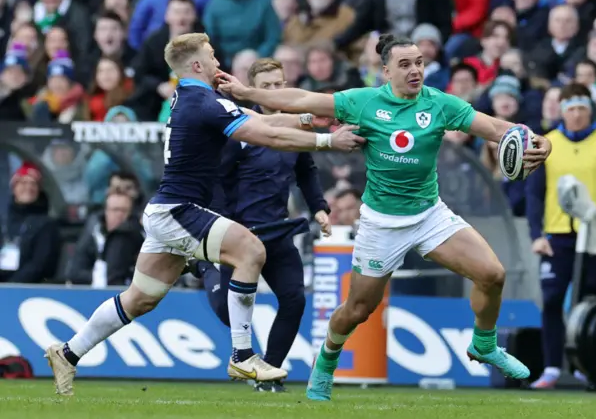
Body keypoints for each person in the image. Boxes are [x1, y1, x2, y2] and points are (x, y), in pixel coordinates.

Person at [217, 33, 552, 401]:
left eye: (420, 63)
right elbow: (300, 99)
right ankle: (327, 359)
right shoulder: (364, 102)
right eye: (405, 65)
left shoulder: (440, 104)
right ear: (386, 70)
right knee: (358, 310)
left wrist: (541, 142)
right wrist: (249, 94)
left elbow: (500, 129)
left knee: (493, 274)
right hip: (381, 225)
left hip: (429, 215)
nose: (415, 70)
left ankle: (484, 344)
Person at [44, 32, 364, 396]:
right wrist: (327, 142)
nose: (217, 62)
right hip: (180, 211)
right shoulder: (204, 101)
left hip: (167, 212)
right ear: (197, 65)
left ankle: (68, 353)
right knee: (251, 251)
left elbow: (264, 121)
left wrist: (310, 119)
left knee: (140, 298)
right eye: (211, 57)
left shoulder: (194, 98)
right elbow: (265, 134)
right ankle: (243, 354)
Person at [195, 58, 331, 393]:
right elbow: (215, 180)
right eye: (267, 86)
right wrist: (220, 226)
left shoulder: (296, 128)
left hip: (275, 230)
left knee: (294, 299)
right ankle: (205, 266)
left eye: (279, 84)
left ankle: (269, 371)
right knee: (229, 314)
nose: (274, 91)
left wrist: (320, 208)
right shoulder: (240, 128)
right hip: (238, 235)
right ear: (252, 90)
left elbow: (306, 171)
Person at [526, 83, 596, 389]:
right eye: (570, 109)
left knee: (589, 302)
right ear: (562, 111)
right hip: (557, 235)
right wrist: (537, 233)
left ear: (591, 110)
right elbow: (535, 194)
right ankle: (551, 368)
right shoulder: (547, 142)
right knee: (551, 300)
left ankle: (587, 366)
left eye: (582, 109)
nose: (576, 115)